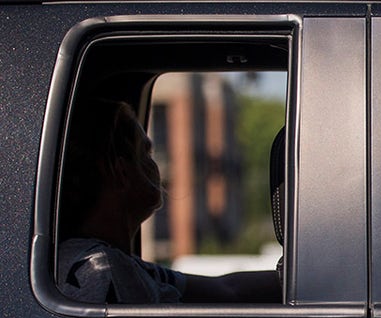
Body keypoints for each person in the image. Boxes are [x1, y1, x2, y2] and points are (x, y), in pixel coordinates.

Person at [56, 99, 280, 304]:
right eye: (145, 152)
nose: (155, 166)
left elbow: (227, 289)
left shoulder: (124, 264)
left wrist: (303, 277)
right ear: (120, 170)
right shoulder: (100, 269)